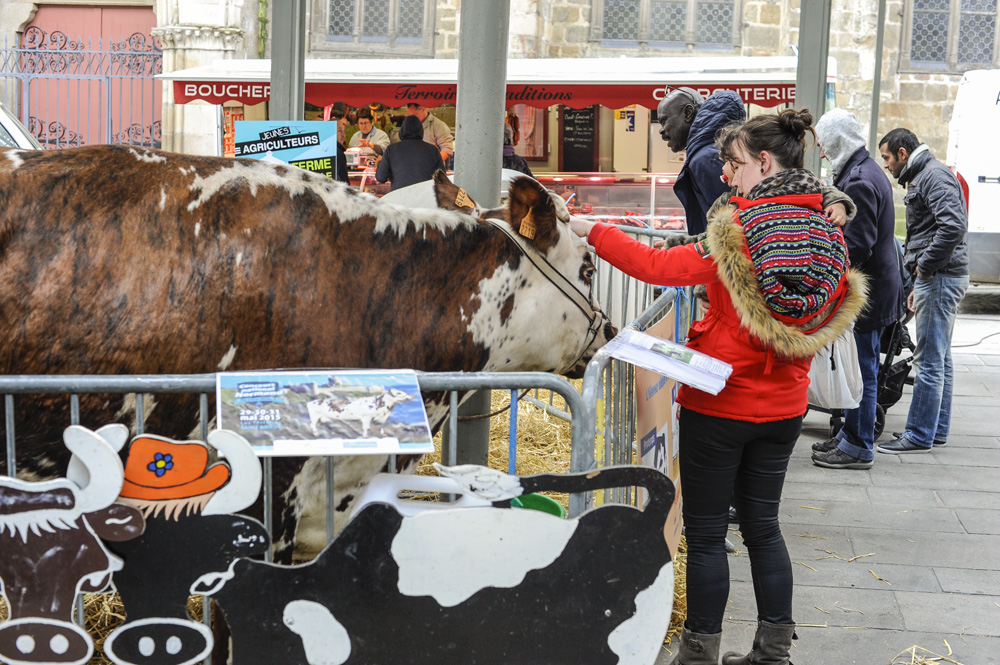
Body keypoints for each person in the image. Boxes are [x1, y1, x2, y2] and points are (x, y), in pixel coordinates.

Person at [570, 109, 867, 665]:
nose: (727, 176)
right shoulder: (827, 225)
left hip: (719, 404)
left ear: (763, 161)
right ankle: (773, 649)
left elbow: (659, 267)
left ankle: (700, 650)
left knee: (706, 536)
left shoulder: (739, 232)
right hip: (784, 408)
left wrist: (595, 231)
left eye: (734, 165)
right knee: (764, 528)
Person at [811, 109, 906, 469]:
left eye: (823, 143)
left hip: (871, 292)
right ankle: (850, 433)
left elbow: (857, 244)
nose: (820, 152)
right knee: (858, 363)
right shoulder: (860, 171)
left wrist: (823, 272)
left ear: (837, 140)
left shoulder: (860, 180)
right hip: (876, 287)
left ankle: (858, 445)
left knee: (862, 367)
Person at [876, 128, 969, 454]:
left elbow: (953, 226)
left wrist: (925, 268)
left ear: (903, 153)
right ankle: (935, 430)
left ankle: (917, 435)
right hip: (941, 277)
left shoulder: (931, 176)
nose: (886, 165)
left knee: (928, 361)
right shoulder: (929, 174)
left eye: (887, 157)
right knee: (940, 358)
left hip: (941, 276)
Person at [657, 87, 746, 235]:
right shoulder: (712, 151)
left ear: (688, 113)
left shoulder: (706, 158)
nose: (661, 130)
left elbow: (728, 226)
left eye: (664, 121)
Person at [375, 115, 445, 192]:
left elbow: (381, 178)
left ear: (402, 131)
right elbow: (442, 180)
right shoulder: (433, 150)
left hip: (399, 198)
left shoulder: (391, 149)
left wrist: (379, 163)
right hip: (424, 199)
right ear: (421, 131)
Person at [334, 117, 349, 184]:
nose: (344, 135)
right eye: (340, 131)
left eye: (344, 131)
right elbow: (344, 183)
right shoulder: (337, 152)